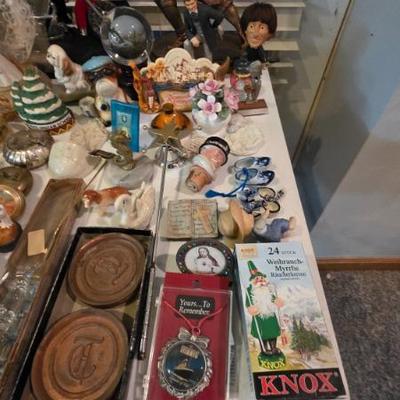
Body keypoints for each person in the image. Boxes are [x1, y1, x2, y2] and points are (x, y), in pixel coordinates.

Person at [245, 261, 284, 356]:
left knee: (273, 332)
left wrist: (277, 301)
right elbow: (248, 302)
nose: (260, 280)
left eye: (262, 278)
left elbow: (272, 298)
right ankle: (264, 349)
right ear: (253, 281)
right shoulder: (250, 291)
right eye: (257, 279)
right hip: (259, 316)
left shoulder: (268, 290)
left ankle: (273, 348)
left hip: (270, 314)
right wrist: (251, 308)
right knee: (262, 334)